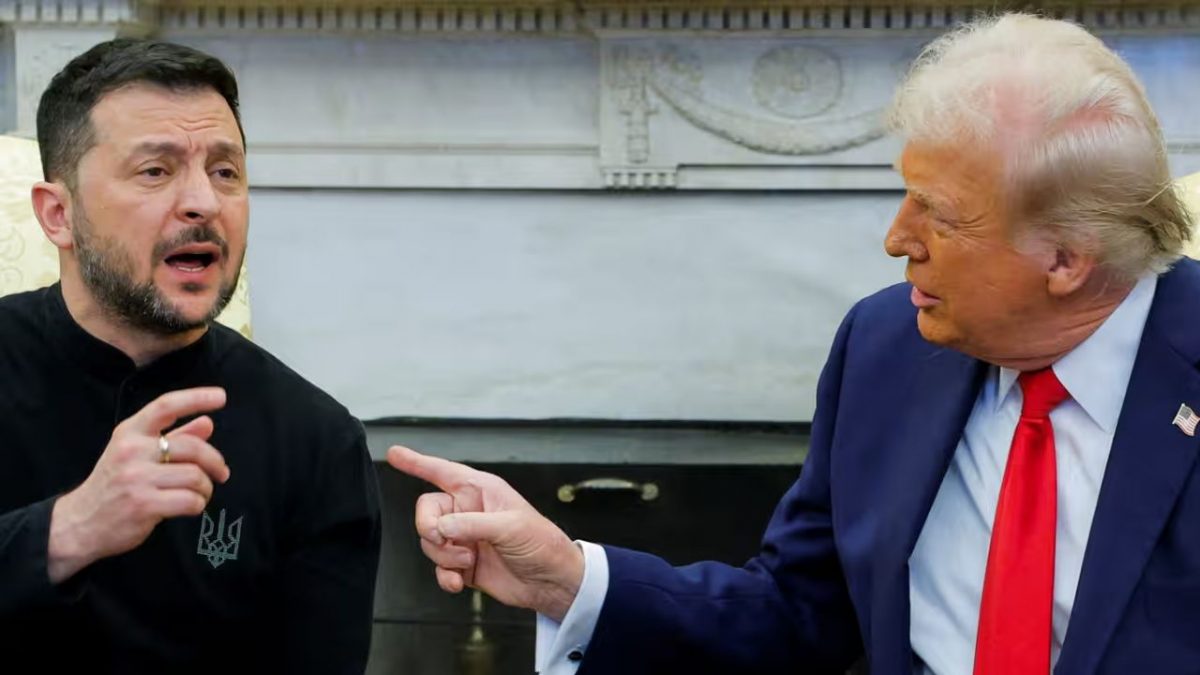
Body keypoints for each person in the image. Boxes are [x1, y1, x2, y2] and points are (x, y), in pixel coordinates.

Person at [389, 13, 1200, 675]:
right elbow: (797, 614)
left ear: (1065, 258)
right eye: (906, 195)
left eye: (940, 215)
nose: (897, 238)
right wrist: (568, 578)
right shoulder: (888, 348)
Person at [0, 39, 381, 673]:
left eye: (225, 172)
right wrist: (69, 530)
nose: (203, 202)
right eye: (156, 170)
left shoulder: (317, 441)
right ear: (59, 214)